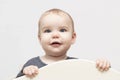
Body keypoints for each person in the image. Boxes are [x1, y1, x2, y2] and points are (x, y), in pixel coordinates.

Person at [16, 8, 111, 78]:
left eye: (62, 30)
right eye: (48, 31)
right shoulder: (32, 64)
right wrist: (25, 74)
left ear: (73, 37)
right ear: (40, 39)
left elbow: (94, 76)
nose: (55, 35)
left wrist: (102, 67)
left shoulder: (76, 65)